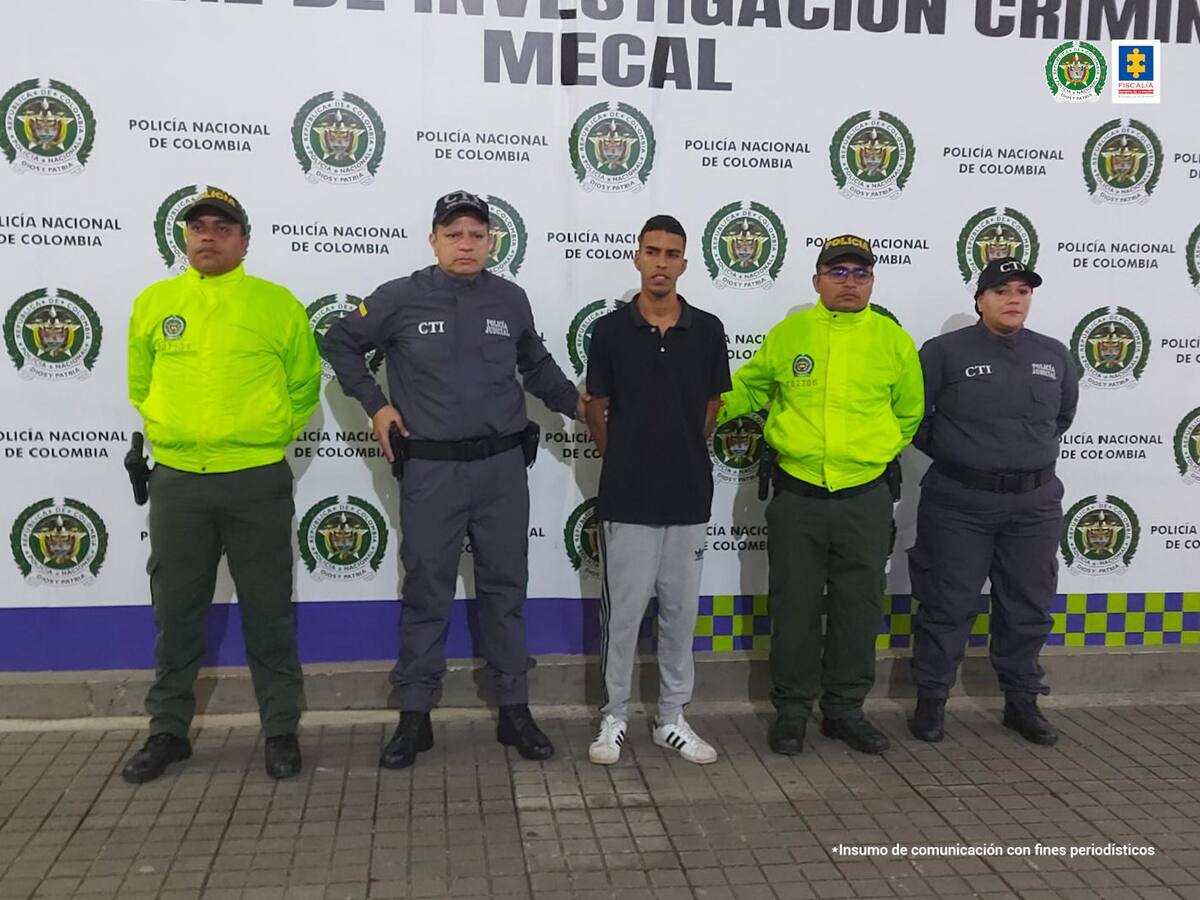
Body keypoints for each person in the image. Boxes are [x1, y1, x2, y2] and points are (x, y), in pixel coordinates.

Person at [323, 190, 586, 768]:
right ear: (434, 239)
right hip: (432, 470)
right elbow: (338, 341)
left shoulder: (509, 298)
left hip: (500, 468)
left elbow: (536, 366)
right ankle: (415, 716)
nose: (465, 244)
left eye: (476, 234)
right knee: (426, 589)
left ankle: (514, 709)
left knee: (505, 588)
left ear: (492, 240)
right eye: (453, 234)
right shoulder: (401, 297)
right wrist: (376, 404)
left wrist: (583, 406)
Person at [122, 188, 321, 783]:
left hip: (255, 480)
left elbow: (304, 385)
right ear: (184, 237)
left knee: (268, 610)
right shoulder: (155, 303)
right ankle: (167, 733)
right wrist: (175, 434)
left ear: (244, 240)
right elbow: (141, 384)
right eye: (198, 226)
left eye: (222, 227)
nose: (208, 235)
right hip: (179, 483)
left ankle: (281, 729)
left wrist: (259, 438)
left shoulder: (276, 304)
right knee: (176, 611)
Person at [719, 235, 923, 756]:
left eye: (860, 273)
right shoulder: (790, 335)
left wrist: (870, 454)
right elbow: (748, 389)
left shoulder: (892, 340)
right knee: (795, 606)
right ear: (817, 281)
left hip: (865, 496)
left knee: (859, 606)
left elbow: (909, 413)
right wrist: (691, 406)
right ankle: (791, 711)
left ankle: (846, 710)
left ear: (872, 281)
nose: (849, 282)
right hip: (798, 495)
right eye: (838, 272)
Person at [908, 259, 1078, 746]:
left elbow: (1062, 417)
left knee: (1027, 605)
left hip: (1033, 504)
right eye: (1002, 290)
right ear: (979, 299)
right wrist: (966, 458)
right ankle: (931, 701)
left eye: (1023, 291)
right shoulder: (943, 353)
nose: (1014, 299)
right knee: (947, 603)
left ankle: (1021, 703)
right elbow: (917, 420)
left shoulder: (1054, 355)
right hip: (959, 502)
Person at [583, 215, 731, 766]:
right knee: (623, 615)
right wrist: (622, 455)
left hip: (688, 494)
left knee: (679, 613)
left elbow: (714, 404)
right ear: (637, 258)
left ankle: (672, 717)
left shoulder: (709, 329)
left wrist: (683, 450)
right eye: (653, 251)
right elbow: (596, 406)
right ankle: (614, 717)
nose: (662, 262)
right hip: (628, 495)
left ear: (685, 263)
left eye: (672, 253)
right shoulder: (610, 330)